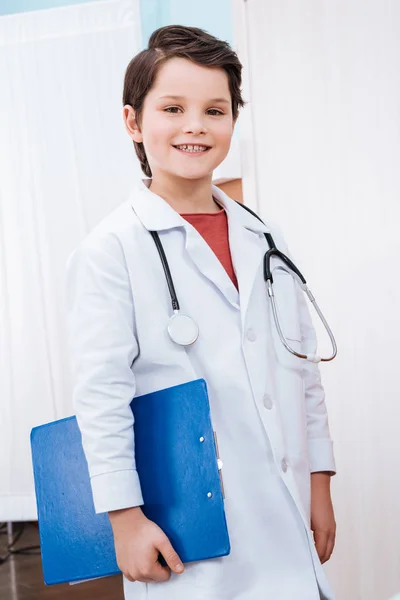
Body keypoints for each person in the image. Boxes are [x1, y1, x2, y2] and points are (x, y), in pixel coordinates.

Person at [66, 24, 337, 600]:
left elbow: (302, 371)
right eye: (172, 107)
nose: (195, 125)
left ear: (233, 121)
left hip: (285, 512)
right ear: (133, 122)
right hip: (190, 535)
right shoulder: (111, 248)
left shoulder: (265, 237)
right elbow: (101, 395)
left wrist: (319, 483)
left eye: (215, 110)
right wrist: (124, 517)